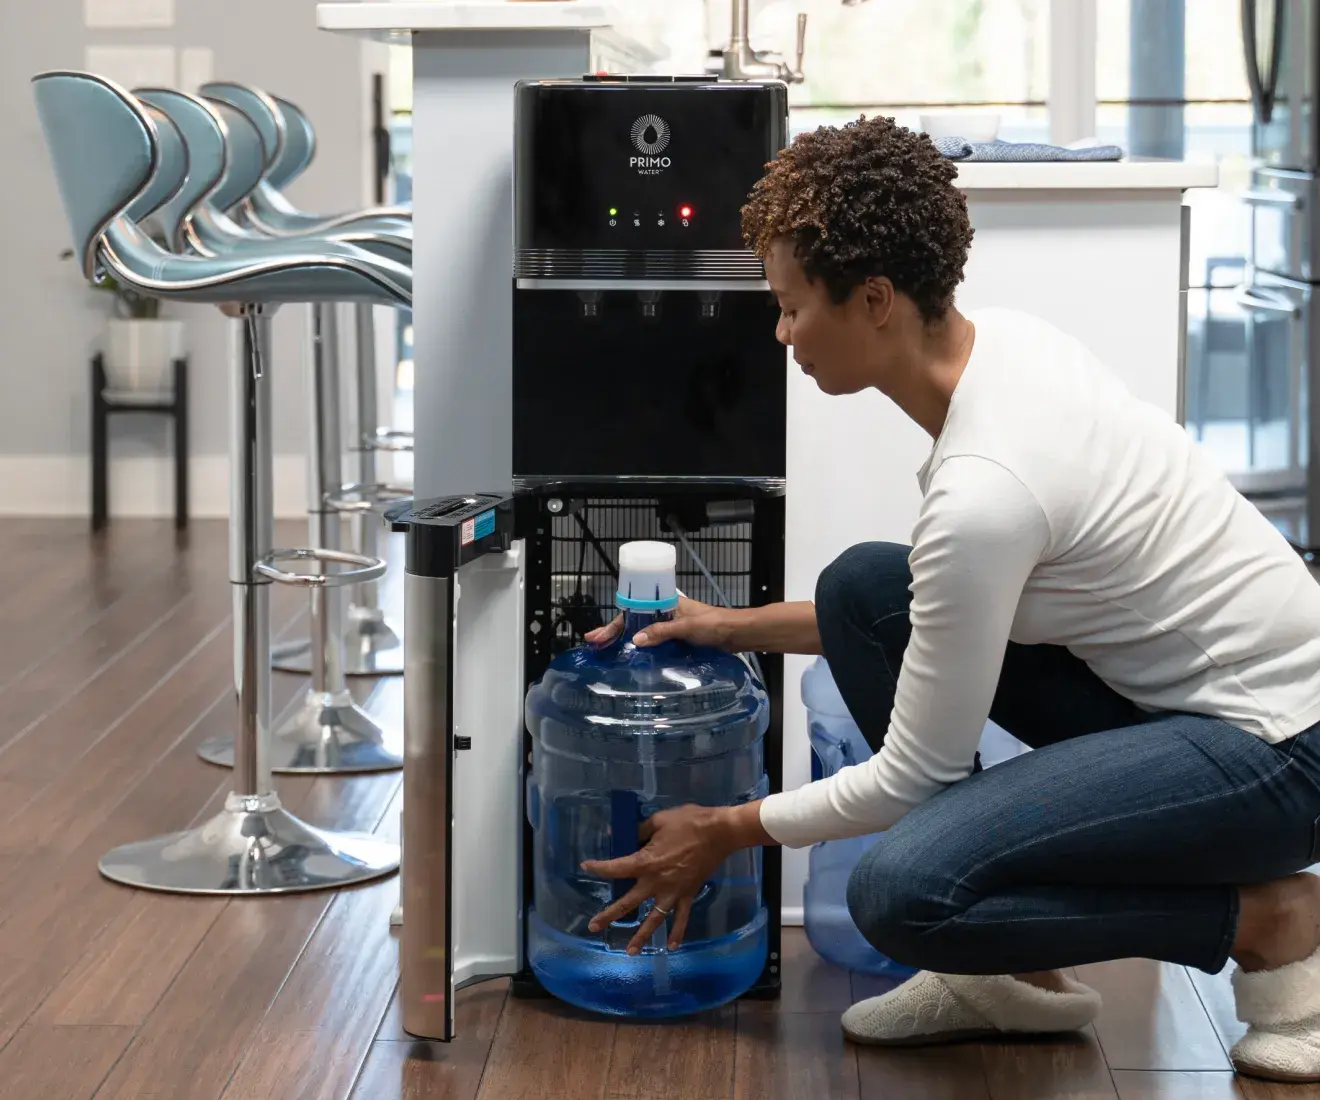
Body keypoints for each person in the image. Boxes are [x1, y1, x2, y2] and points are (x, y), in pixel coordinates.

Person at [579, 114, 1320, 1086]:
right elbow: (936, 608)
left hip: (1280, 748)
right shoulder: (1006, 353)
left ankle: (1269, 920)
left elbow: (908, 775)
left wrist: (725, 826)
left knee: (901, 889)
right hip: (1191, 705)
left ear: (875, 300)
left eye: (795, 305)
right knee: (863, 587)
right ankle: (1010, 973)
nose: (783, 330)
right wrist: (725, 625)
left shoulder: (986, 488)